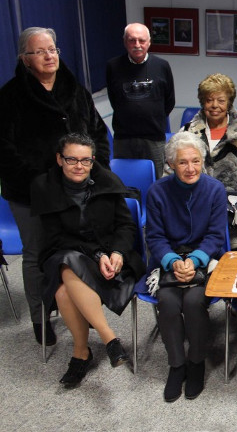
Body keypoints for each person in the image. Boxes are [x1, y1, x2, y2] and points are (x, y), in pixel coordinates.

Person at [0, 27, 110, 346]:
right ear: (25, 59)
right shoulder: (9, 98)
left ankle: (78, 308)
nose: (50, 56)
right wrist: (47, 182)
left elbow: (99, 135)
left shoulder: (75, 89)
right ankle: (40, 317)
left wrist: (93, 169)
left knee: (75, 251)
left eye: (53, 49)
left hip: (79, 189)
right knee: (35, 255)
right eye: (40, 51)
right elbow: (6, 153)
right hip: (30, 195)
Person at [31, 133, 145, 388]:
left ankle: (81, 353)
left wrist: (117, 253)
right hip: (62, 251)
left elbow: (126, 226)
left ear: (93, 161)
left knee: (63, 293)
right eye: (72, 159)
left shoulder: (108, 181)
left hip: (109, 256)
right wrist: (96, 254)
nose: (79, 166)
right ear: (60, 159)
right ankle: (109, 338)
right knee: (68, 261)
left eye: (86, 160)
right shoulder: (43, 187)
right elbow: (56, 238)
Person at [143, 132, 227, 402]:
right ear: (171, 164)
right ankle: (176, 365)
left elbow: (215, 235)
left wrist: (194, 260)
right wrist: (172, 261)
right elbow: (154, 236)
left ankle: (196, 363)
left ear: (202, 161)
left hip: (204, 259)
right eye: (183, 162)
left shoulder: (214, 189)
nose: (190, 168)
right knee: (167, 300)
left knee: (193, 301)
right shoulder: (157, 191)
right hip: (167, 260)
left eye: (196, 161)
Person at [107, 22, 175, 178]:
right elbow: (114, 99)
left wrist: (151, 116)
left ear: (149, 42)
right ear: (125, 42)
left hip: (154, 138)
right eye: (132, 40)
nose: (137, 45)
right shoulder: (113, 66)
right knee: (124, 182)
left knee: (156, 182)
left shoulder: (162, 66)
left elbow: (169, 100)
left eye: (142, 40)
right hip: (124, 138)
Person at [178, 73, 237, 192]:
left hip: (234, 204)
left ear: (229, 104)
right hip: (195, 200)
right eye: (209, 100)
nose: (215, 105)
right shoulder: (187, 132)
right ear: (203, 103)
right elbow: (171, 170)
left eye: (221, 101)